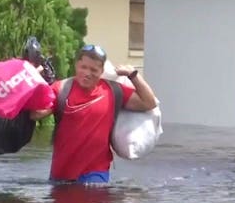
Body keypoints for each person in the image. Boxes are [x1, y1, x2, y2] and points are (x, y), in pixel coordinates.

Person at [30, 44, 157, 184]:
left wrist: (133, 75)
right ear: (76, 64)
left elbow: (148, 103)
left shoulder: (113, 91)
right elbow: (36, 114)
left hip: (96, 175)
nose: (87, 73)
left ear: (101, 70)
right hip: (61, 175)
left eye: (93, 70)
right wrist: (33, 81)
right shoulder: (61, 89)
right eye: (83, 67)